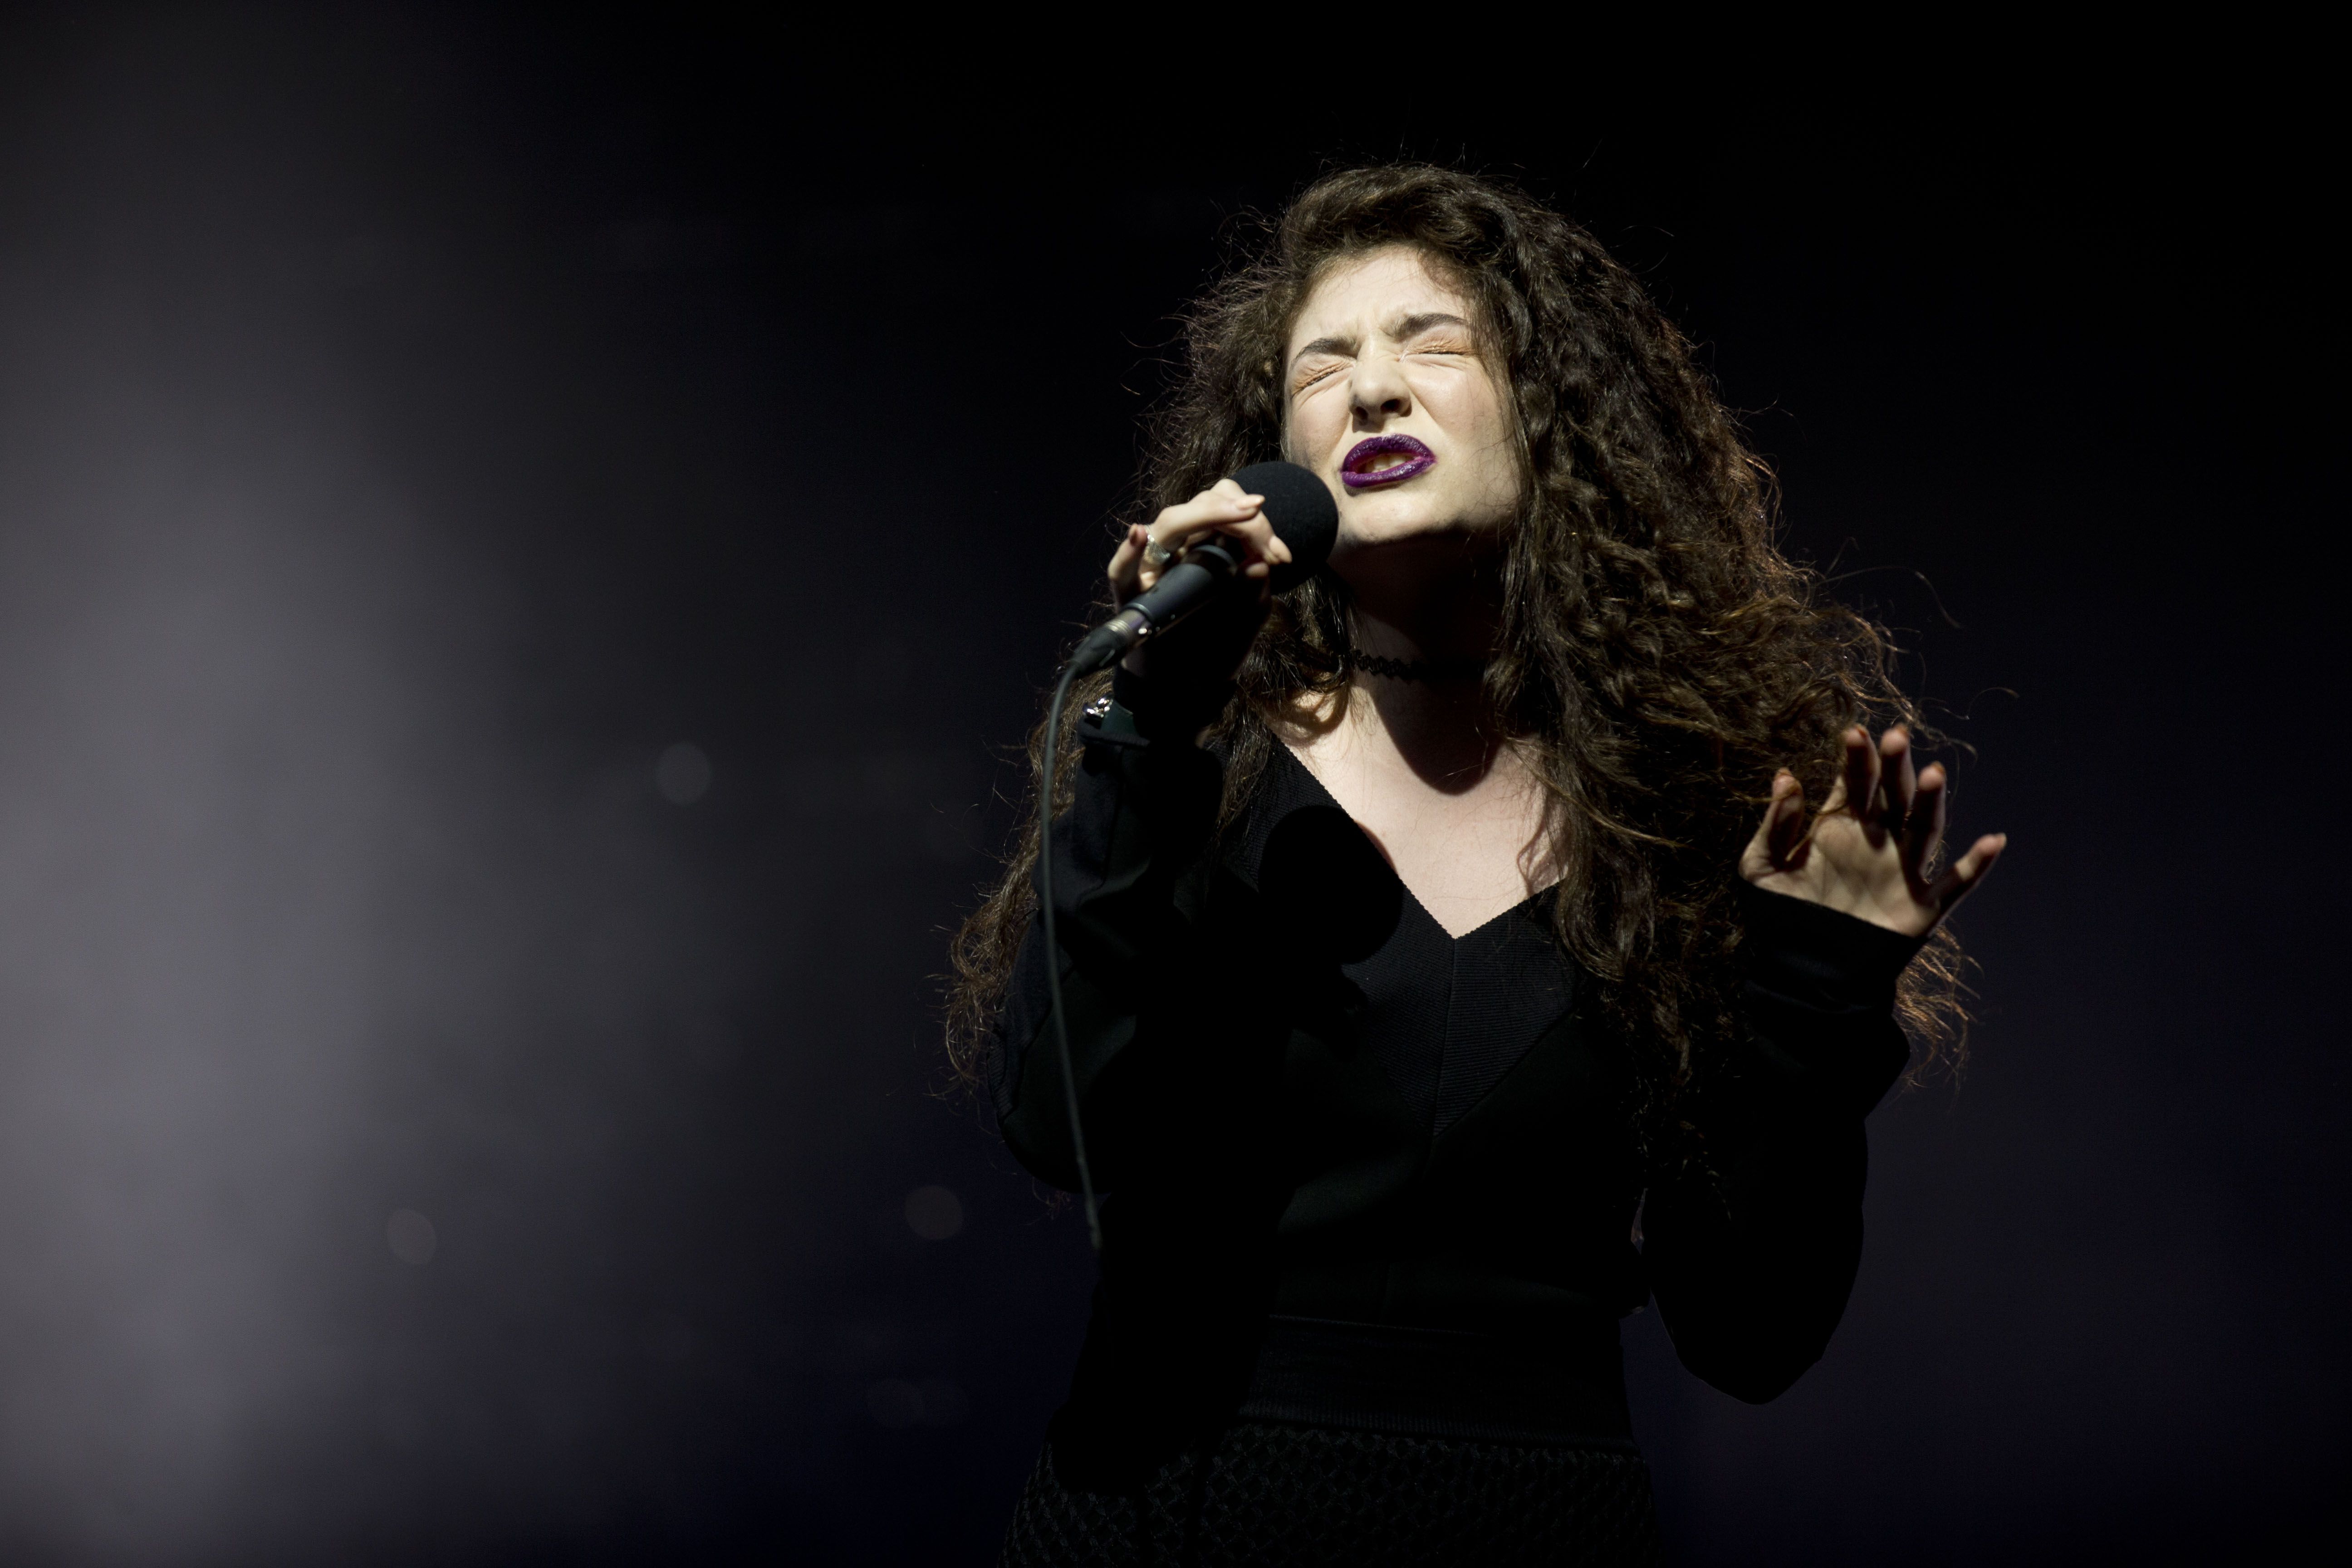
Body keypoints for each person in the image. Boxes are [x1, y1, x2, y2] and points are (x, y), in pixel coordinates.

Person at [947, 164, 2005, 1567]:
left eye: (1435, 345)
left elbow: (1751, 1335)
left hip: (1528, 1512)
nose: (1373, 391)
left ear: (1557, 419)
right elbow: (1048, 1117)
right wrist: (1147, 736)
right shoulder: (1193, 760)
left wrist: (1813, 998)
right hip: (1172, 1504)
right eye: (1325, 366)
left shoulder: (1684, 819)